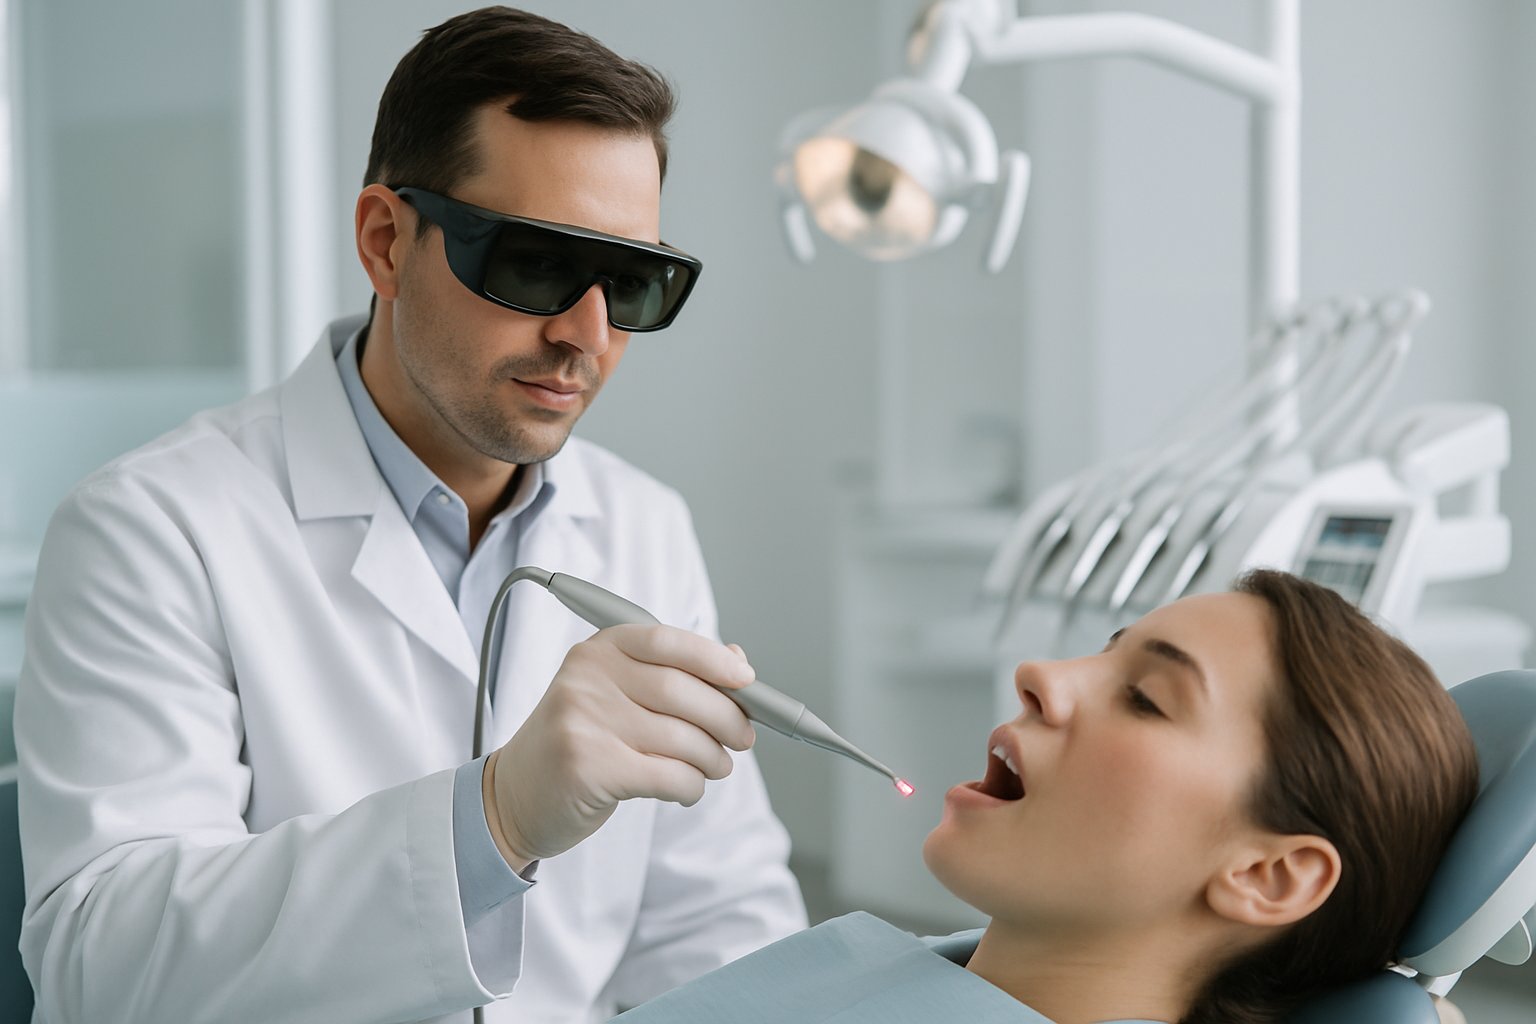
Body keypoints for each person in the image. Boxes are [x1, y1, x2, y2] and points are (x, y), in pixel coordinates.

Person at [15, 8, 805, 1023]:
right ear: (386, 242)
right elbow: (102, 967)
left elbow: (719, 924)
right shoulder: (151, 530)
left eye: (633, 282)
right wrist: (491, 821)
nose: (587, 334)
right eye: (532, 263)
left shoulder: (644, 524)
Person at [612, 570, 1479, 1024]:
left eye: (1146, 698)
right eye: (1106, 651)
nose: (1040, 675)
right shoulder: (892, 961)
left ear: (1271, 876)